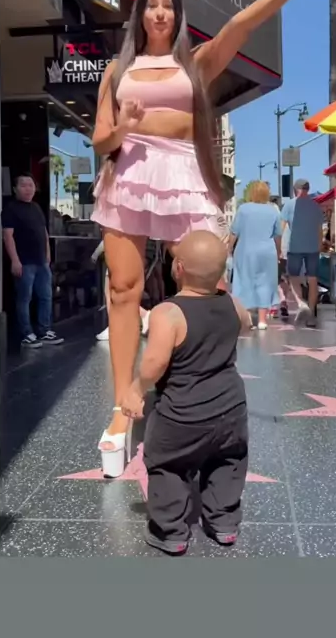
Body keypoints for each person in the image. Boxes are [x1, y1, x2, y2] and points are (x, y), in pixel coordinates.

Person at [91, 0, 336, 476]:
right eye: (151, 4)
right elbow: (101, 138)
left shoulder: (196, 64)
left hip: (182, 174)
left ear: (177, 14)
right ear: (140, 13)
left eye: (168, 5)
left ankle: (198, 395)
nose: (159, 13)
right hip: (128, 174)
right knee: (122, 288)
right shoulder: (117, 71)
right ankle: (122, 407)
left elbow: (241, 25)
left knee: (205, 284)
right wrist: (124, 126)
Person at [121, 231, 251, 555]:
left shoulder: (168, 312)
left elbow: (155, 363)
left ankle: (170, 532)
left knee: (168, 465)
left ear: (178, 268)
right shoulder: (234, 304)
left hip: (182, 414)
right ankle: (223, 523)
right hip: (231, 410)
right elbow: (246, 326)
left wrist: (136, 389)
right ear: (221, 272)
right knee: (227, 461)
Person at [1, 173, 64, 348]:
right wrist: (15, 260)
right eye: (23, 185)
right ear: (15, 189)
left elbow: (44, 232)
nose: (28, 189)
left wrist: (48, 253)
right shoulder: (10, 209)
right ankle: (26, 334)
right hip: (24, 262)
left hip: (41, 261)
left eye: (31, 185)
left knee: (46, 296)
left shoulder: (36, 207)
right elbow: (8, 236)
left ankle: (44, 331)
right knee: (24, 298)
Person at [229, 181, 282, 329]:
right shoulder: (273, 211)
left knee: (243, 281)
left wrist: (229, 248)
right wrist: (278, 252)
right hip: (267, 252)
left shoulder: (243, 209)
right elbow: (278, 235)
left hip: (245, 251)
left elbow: (234, 232)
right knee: (264, 283)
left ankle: (246, 318)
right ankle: (262, 320)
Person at [281, 178, 324, 327]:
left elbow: (281, 227)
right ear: (308, 189)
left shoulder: (289, 205)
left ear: (295, 190)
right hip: (313, 248)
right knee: (313, 280)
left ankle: (301, 304)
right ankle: (310, 314)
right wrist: (319, 245)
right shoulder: (315, 206)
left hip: (294, 247)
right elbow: (320, 230)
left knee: (293, 276)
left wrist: (279, 248)